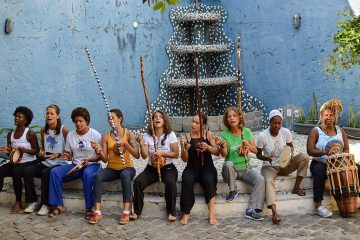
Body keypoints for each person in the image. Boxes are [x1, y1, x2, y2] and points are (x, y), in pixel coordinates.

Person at [256, 109, 310, 224]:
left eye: (279, 123)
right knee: (269, 180)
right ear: (269, 122)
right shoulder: (262, 136)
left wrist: (289, 155)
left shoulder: (286, 132)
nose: (277, 125)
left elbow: (291, 147)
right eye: (274, 123)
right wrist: (267, 158)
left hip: (284, 165)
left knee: (304, 156)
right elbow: (258, 155)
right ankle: (274, 212)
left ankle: (296, 187)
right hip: (269, 167)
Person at [47, 107, 101, 219]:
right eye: (76, 121)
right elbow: (68, 153)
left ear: (86, 121)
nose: (78, 123)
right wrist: (65, 155)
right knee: (54, 172)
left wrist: (90, 160)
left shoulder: (95, 134)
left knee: (87, 174)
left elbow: (101, 155)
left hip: (92, 165)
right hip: (76, 166)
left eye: (81, 121)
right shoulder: (71, 135)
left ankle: (89, 208)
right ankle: (58, 205)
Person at [88, 109, 140, 225]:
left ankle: (126, 211)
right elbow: (105, 159)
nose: (110, 120)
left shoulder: (129, 134)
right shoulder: (106, 137)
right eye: (109, 118)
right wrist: (99, 150)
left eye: (113, 118)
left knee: (125, 174)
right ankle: (97, 211)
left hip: (127, 168)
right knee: (98, 175)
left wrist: (126, 143)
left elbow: (137, 155)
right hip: (111, 168)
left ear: (120, 118)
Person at [130, 110, 179, 222]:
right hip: (151, 168)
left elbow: (176, 154)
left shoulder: (170, 135)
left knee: (171, 182)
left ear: (164, 120)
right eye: (155, 117)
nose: (157, 118)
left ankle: (171, 212)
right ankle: (137, 211)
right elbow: (144, 155)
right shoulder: (147, 136)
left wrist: (162, 153)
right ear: (152, 121)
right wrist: (142, 144)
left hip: (168, 167)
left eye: (160, 117)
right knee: (138, 182)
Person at [219, 106, 265, 221]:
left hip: (245, 168)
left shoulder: (247, 132)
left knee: (260, 179)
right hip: (231, 171)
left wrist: (247, 145)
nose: (232, 118)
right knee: (228, 163)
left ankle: (251, 210)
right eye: (229, 116)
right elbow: (224, 155)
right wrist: (223, 146)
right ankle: (233, 191)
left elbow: (256, 150)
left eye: (234, 115)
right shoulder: (224, 135)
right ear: (226, 120)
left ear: (239, 118)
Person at [22, 104, 69, 215]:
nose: (49, 115)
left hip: (60, 163)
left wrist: (57, 155)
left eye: (52, 113)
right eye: (47, 113)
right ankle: (33, 202)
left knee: (45, 173)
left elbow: (69, 152)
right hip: (47, 162)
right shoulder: (43, 131)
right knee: (27, 171)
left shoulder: (64, 130)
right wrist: (41, 152)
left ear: (57, 116)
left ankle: (45, 204)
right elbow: (43, 149)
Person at [307, 99, 349, 218]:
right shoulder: (316, 131)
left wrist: (342, 159)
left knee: (357, 168)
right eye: (326, 115)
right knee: (319, 172)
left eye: (331, 115)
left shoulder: (340, 131)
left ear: (334, 117)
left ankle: (354, 197)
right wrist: (326, 152)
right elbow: (310, 150)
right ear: (321, 116)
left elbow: (346, 149)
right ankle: (318, 206)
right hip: (320, 163)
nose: (329, 117)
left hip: (337, 164)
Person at [179, 113, 219, 225]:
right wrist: (184, 148)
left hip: (207, 167)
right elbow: (184, 159)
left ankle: (211, 214)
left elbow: (217, 151)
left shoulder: (208, 134)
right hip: (192, 167)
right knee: (186, 179)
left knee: (209, 180)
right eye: (193, 122)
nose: (193, 124)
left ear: (204, 125)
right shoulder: (186, 137)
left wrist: (208, 147)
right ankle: (186, 213)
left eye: (197, 123)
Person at [0, 106, 39, 213]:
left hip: (29, 162)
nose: (16, 118)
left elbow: (36, 150)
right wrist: (8, 151)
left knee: (16, 172)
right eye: (15, 116)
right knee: (1, 171)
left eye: (19, 117)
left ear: (25, 120)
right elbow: (11, 153)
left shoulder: (29, 133)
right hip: (15, 162)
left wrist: (24, 150)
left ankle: (18, 203)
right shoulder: (10, 134)